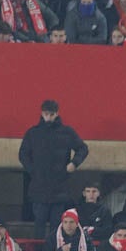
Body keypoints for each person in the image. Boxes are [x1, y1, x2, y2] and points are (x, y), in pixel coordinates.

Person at [19, 100, 88, 237]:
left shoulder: (67, 132)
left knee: (57, 225)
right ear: (41, 113)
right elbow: (23, 154)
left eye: (51, 114)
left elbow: (83, 148)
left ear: (57, 114)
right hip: (40, 187)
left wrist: (74, 163)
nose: (48, 118)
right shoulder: (33, 133)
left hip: (59, 188)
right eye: (46, 114)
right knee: (39, 224)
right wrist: (34, 171)